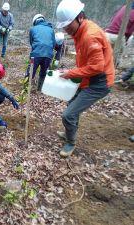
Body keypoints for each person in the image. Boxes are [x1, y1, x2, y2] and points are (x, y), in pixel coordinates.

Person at [56, 0, 115, 157]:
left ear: (80, 17)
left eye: (69, 26)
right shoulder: (80, 32)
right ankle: (70, 131)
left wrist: (71, 73)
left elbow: (97, 67)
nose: (67, 30)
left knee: (68, 114)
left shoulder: (90, 36)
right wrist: (73, 71)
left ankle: (71, 142)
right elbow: (87, 61)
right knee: (71, 104)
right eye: (65, 27)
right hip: (89, 77)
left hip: (100, 82)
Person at [28, 14, 56, 91]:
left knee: (31, 72)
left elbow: (31, 42)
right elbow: (54, 43)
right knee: (43, 73)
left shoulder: (33, 29)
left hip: (36, 54)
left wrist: (36, 50)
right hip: (48, 55)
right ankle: (40, 89)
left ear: (35, 21)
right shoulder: (51, 30)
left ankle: (26, 89)